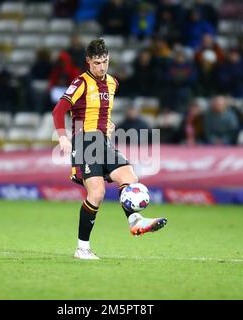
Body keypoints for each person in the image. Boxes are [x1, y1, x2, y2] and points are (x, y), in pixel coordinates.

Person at [52, 39, 167, 260]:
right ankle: (82, 248)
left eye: (105, 61)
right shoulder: (81, 83)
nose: (101, 67)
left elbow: (101, 110)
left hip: (103, 141)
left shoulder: (113, 83)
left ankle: (135, 222)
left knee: (129, 177)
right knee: (97, 194)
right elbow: (59, 110)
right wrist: (63, 137)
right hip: (84, 142)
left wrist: (108, 125)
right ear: (88, 61)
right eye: (96, 63)